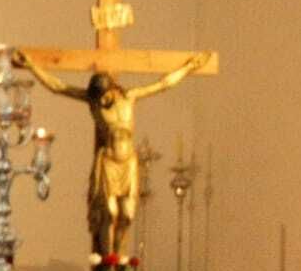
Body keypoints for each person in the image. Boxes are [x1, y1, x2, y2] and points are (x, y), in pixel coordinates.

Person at [25, 54, 209, 258]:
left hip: (128, 162)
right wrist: (32, 66)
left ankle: (120, 258)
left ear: (112, 88)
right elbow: (57, 86)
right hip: (108, 163)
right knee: (110, 214)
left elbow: (162, 84)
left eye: (105, 95)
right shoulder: (93, 101)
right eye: (99, 97)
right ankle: (107, 262)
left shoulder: (129, 97)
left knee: (128, 215)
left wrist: (188, 67)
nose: (102, 100)